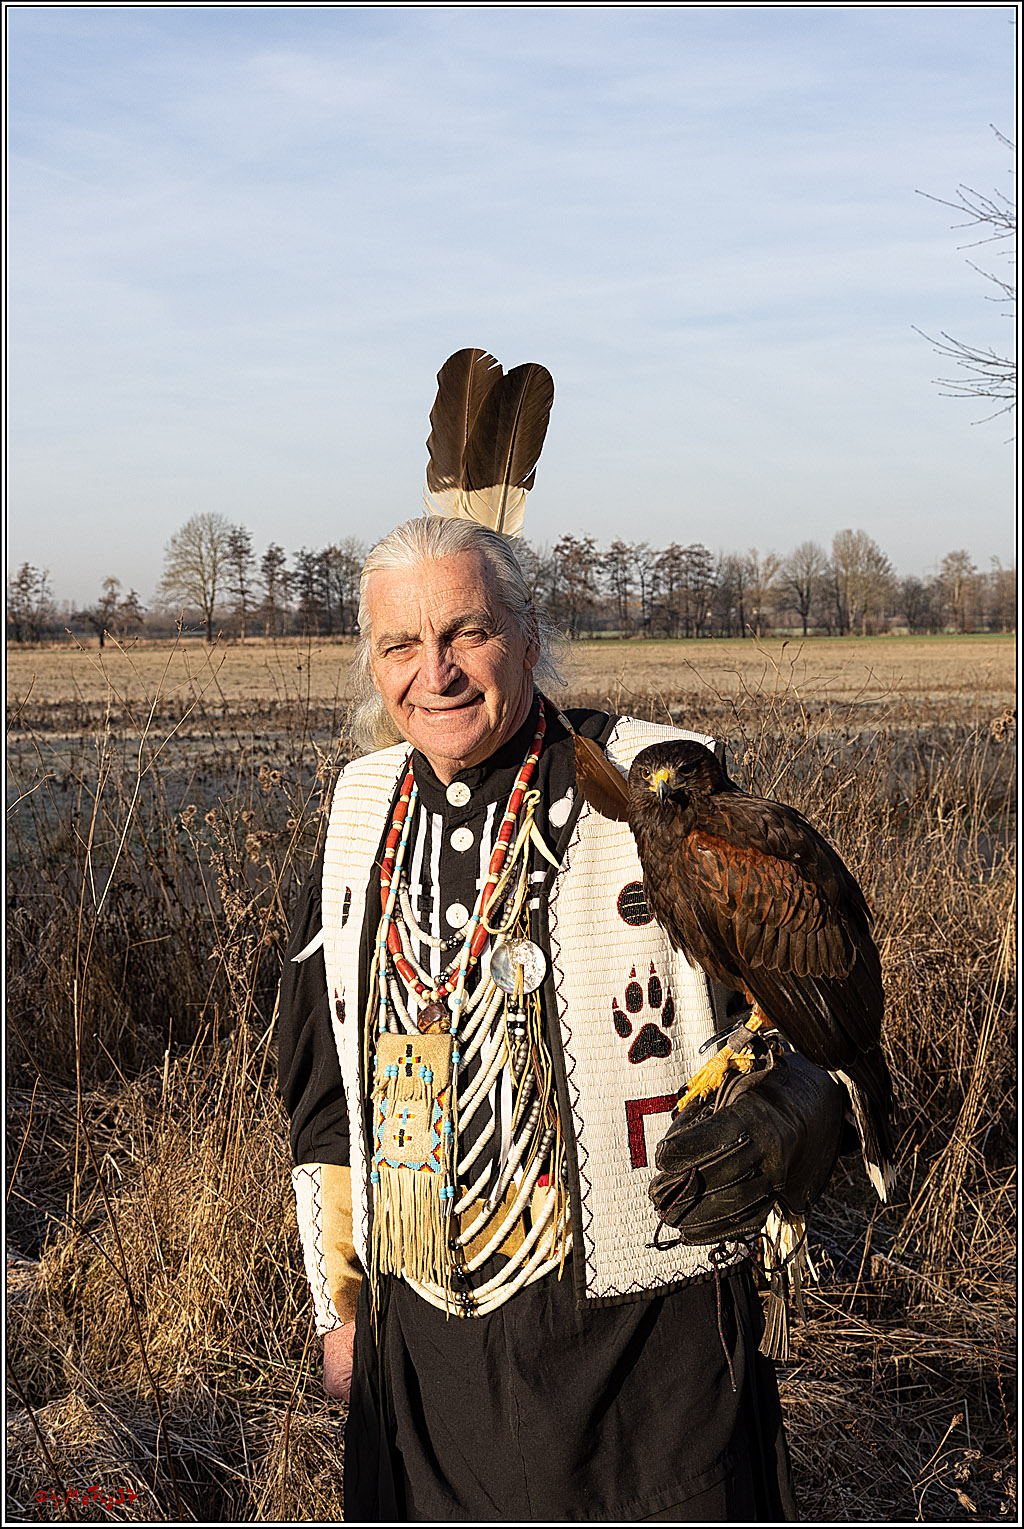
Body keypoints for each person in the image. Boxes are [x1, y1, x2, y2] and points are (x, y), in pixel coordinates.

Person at [277, 515, 845, 1522]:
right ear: (371, 662)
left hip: (645, 1350)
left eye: (468, 631)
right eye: (400, 645)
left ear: (532, 637)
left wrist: (787, 1110)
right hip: (427, 1346)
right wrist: (343, 1310)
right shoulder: (358, 813)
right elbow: (326, 1100)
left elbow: (801, 1018)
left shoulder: (658, 787)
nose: (435, 672)